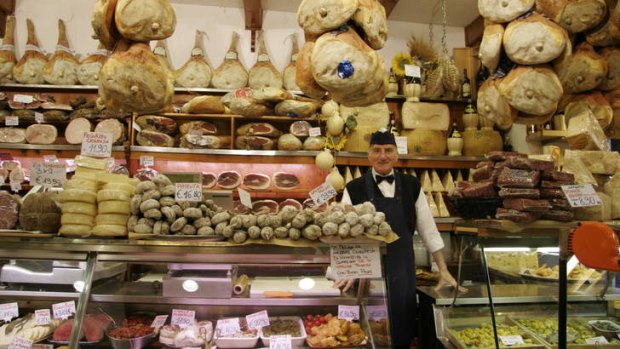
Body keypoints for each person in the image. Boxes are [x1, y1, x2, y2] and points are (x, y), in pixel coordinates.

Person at [334, 129, 466, 348]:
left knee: (401, 329)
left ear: (396, 155)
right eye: (376, 150)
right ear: (369, 155)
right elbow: (345, 233)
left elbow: (428, 230)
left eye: (388, 150)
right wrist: (347, 270)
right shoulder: (353, 188)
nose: (382, 156)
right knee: (367, 332)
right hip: (366, 270)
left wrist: (443, 269)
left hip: (402, 270)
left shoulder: (412, 185)